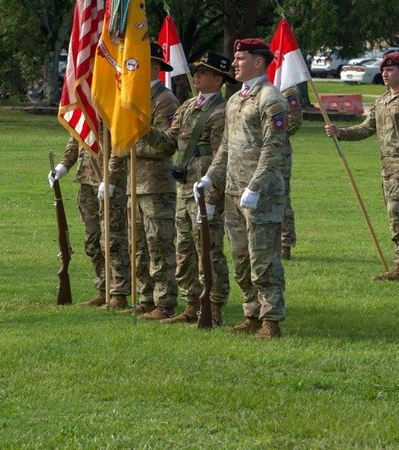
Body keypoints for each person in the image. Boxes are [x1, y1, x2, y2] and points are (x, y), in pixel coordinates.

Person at [195, 38, 289, 339]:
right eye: (235, 59)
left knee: (264, 259)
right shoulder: (235, 99)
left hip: (260, 195)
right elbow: (225, 146)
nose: (234, 64)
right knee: (241, 258)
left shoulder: (270, 99)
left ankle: (271, 321)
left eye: (240, 58)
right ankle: (251, 313)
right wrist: (211, 177)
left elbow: (274, 148)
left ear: (258, 61)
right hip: (234, 192)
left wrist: (256, 187)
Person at [324, 52, 399, 284]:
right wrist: (340, 133)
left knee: (398, 208)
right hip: (387, 165)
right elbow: (366, 129)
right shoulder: (382, 100)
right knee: (393, 214)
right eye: (383, 70)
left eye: (390, 70)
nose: (384, 74)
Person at [145, 50, 233, 325]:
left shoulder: (222, 112)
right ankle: (191, 305)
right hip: (184, 190)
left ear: (219, 80)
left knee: (209, 251)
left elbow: (223, 156)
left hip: (206, 192)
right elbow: (169, 143)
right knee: (184, 251)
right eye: (197, 70)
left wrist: (212, 196)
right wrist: (144, 130)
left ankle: (214, 306)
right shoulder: (185, 107)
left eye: (205, 72)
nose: (197, 75)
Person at [112, 41, 181, 319]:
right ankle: (146, 298)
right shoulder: (131, 97)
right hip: (133, 185)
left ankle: (165, 303)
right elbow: (120, 140)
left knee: (159, 245)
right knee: (138, 246)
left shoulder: (165, 100)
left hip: (155, 186)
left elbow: (166, 146)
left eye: (139, 63)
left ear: (154, 67)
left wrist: (135, 141)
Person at [50, 132, 132, 307]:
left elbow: (120, 145)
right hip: (87, 181)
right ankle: (103, 290)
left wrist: (112, 177)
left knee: (113, 240)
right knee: (92, 240)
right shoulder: (86, 107)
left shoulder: (110, 108)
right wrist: (63, 166)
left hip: (110, 183)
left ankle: (118, 294)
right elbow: (76, 138)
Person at [280, 86, 303, 260]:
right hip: (254, 153)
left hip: (279, 153)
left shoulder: (287, 88)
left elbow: (294, 121)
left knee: (281, 199)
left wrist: (271, 136)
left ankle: (284, 245)